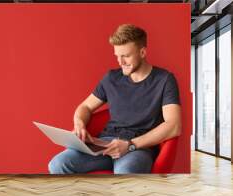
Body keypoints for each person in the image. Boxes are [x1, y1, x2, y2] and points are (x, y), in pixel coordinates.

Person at [48, 24, 181, 174]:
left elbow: (174, 125)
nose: (120, 61)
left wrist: (130, 145)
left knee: (126, 171)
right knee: (58, 164)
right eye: (117, 56)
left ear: (142, 52)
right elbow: (85, 107)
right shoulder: (111, 78)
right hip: (105, 144)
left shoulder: (165, 80)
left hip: (137, 147)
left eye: (125, 56)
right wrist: (79, 124)